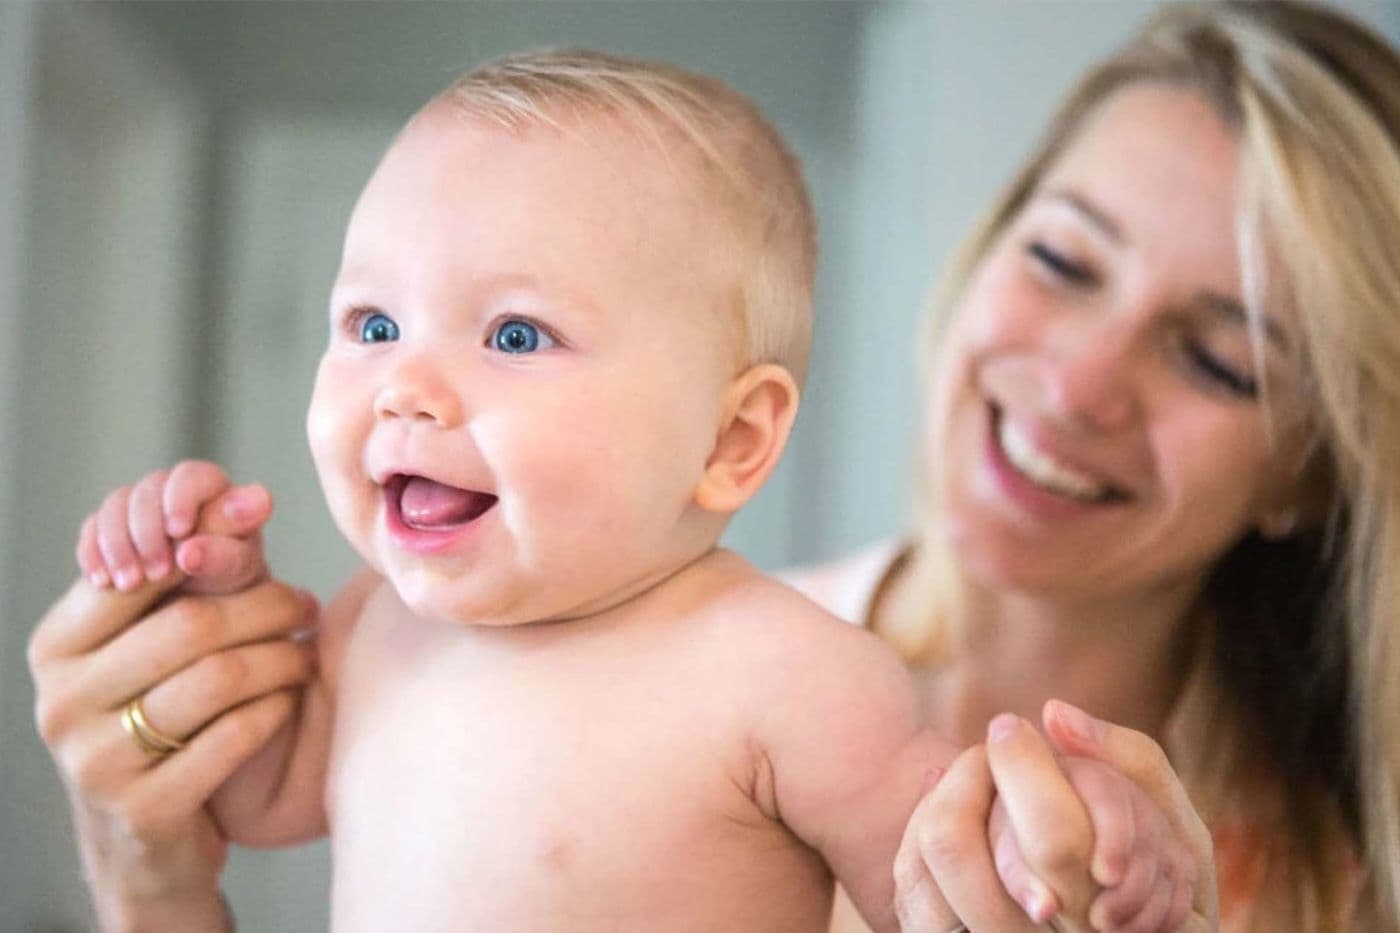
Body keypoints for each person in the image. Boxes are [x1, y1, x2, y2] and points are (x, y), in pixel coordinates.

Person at [32, 48, 1188, 932]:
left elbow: (951, 892)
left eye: (516, 333)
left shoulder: (785, 674)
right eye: (373, 323)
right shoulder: (376, 631)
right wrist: (189, 625)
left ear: (731, 440)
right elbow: (260, 803)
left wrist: (1071, 845)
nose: (407, 388)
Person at [794, 1, 1400, 930]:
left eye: (1217, 362)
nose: (1079, 388)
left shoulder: (1355, 886)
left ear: (1310, 478)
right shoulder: (643, 688)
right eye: (1062, 261)